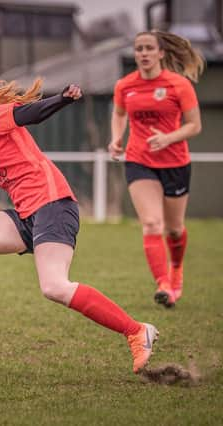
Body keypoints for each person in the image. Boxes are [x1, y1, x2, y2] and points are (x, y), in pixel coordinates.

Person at [0, 70, 158, 374]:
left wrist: (62, 99)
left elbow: (27, 114)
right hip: (26, 216)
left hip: (54, 205)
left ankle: (137, 331)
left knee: (55, 287)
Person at [108, 30, 203, 308]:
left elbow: (195, 126)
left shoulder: (179, 85)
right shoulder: (125, 85)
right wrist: (116, 138)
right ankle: (163, 285)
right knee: (151, 224)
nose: (144, 53)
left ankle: (176, 272)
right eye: (139, 49)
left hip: (176, 163)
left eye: (149, 48)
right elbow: (119, 113)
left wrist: (167, 138)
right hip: (139, 160)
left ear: (161, 53)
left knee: (174, 230)